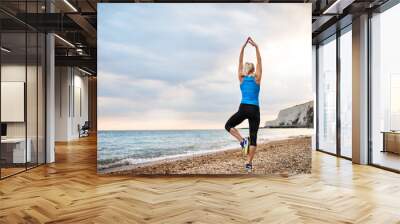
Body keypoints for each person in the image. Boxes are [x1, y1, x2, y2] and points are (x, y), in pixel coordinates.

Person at [224, 37, 262, 173]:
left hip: (243, 107)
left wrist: (243, 47)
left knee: (228, 126)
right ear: (253, 70)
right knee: (253, 137)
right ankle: (248, 163)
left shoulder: (241, 79)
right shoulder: (257, 78)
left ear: (245, 70)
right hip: (255, 109)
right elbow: (260, 62)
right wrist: (256, 47)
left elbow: (239, 62)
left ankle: (241, 140)